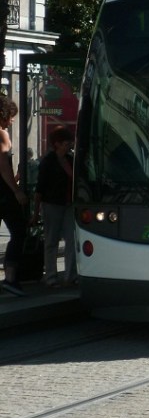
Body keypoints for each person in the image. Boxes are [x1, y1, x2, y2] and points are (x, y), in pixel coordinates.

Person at [33, 126, 76, 286]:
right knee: (51, 240)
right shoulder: (48, 161)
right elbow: (40, 188)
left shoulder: (71, 159)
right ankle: (50, 276)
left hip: (68, 204)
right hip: (52, 204)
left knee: (71, 240)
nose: (69, 145)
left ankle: (70, 275)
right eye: (66, 142)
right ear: (57, 144)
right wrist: (36, 212)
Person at [0, 96, 29, 296]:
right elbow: (3, 167)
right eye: (11, 117)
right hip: (3, 194)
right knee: (19, 231)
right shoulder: (2, 135)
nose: (11, 121)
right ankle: (10, 278)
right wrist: (16, 190)